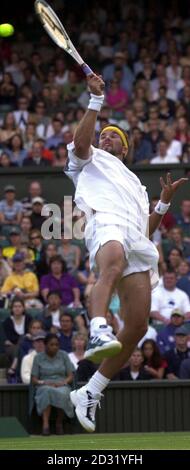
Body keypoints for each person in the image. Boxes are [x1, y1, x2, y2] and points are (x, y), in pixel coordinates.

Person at [65, 72, 187, 432]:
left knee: (136, 324)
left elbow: (145, 231)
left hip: (134, 236)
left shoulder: (135, 183)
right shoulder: (90, 160)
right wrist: (95, 101)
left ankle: (90, 391)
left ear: (125, 148)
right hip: (106, 224)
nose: (105, 138)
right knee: (113, 262)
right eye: (104, 135)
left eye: (113, 137)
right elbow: (82, 141)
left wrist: (162, 205)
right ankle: (99, 326)